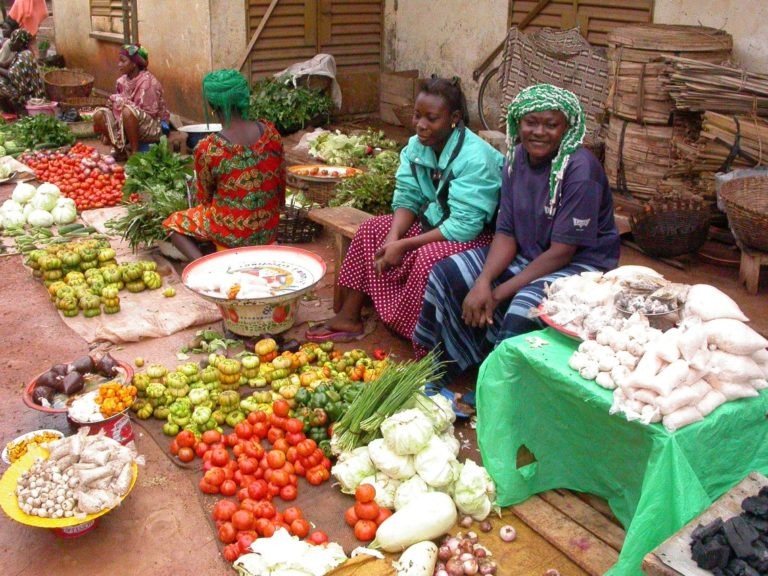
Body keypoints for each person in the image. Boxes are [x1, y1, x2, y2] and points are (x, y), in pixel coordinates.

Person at [413, 84, 620, 404]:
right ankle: (447, 364)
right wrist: (482, 281)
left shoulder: (580, 169)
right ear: (517, 123)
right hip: (528, 251)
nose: (538, 132)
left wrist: (495, 294)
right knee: (448, 272)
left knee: (525, 304)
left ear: (567, 128)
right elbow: (506, 233)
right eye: (530, 122)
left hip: (582, 265)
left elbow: (562, 252)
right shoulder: (515, 160)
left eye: (551, 124)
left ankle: (497, 389)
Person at [306, 77, 504, 343]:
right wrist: (393, 237)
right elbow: (407, 197)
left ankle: (414, 336)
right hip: (435, 221)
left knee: (426, 257)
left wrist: (406, 245)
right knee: (371, 230)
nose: (421, 125)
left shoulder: (475, 158)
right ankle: (349, 317)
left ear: (454, 118)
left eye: (431, 118)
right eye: (417, 116)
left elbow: (465, 226)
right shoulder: (416, 147)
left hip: (476, 236)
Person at [162, 69, 285, 260]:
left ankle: (205, 266)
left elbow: (205, 197)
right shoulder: (272, 134)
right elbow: (280, 186)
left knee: (174, 223)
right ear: (243, 98)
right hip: (269, 228)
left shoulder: (209, 148)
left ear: (212, 106)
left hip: (232, 234)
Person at [93, 44, 170, 158]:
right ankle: (120, 151)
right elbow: (120, 105)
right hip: (128, 123)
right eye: (119, 61)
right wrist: (112, 105)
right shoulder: (122, 81)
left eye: (123, 61)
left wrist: (121, 104)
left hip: (154, 127)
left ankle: (135, 154)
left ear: (134, 64)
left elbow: (151, 113)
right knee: (99, 114)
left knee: (128, 112)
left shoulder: (148, 83)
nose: (119, 65)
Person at [0, 28, 43, 114]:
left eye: (13, 41)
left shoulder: (25, 56)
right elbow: (4, 65)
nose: (11, 43)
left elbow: (11, 75)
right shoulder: (19, 53)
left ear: (20, 43)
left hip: (29, 95)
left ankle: (14, 111)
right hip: (24, 89)